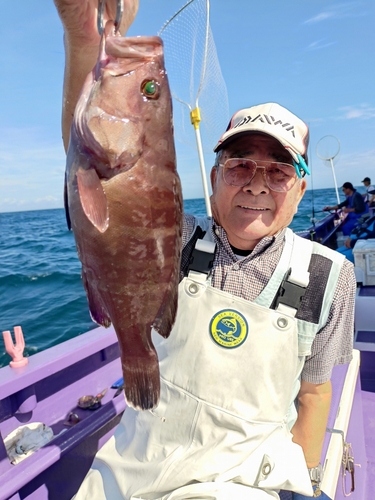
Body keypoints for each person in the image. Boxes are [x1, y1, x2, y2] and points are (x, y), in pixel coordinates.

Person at [53, 1, 355, 499]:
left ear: (301, 190)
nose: (258, 183)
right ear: (214, 179)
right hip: (139, 468)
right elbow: (89, 157)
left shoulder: (329, 276)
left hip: (248, 480)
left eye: (279, 170)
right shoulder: (170, 235)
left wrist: (305, 478)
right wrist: (83, 37)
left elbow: (315, 392)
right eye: (239, 165)